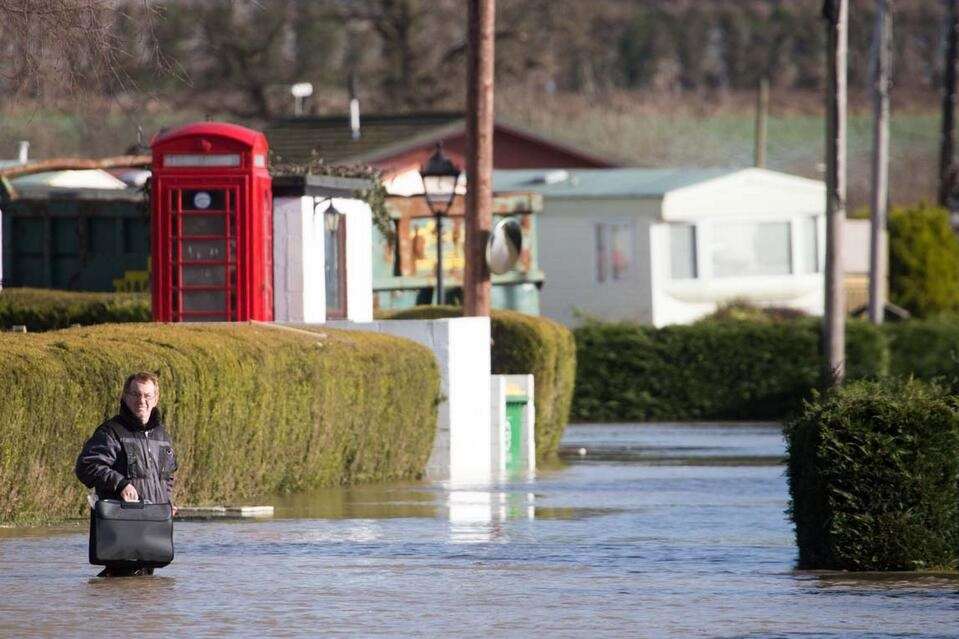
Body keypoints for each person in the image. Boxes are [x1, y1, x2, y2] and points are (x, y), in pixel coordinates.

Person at [76, 372, 177, 577]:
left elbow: (167, 477)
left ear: (156, 399)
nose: (142, 401)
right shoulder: (111, 432)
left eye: (147, 396)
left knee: (148, 597)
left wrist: (166, 503)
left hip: (153, 532)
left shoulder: (163, 436)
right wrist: (120, 484)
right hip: (121, 530)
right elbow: (87, 465)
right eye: (135, 394)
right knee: (118, 586)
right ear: (124, 396)